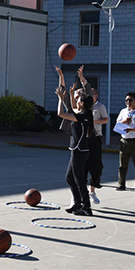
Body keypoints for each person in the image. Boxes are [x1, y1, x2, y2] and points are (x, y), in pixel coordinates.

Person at [56, 83, 95, 216]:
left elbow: (61, 113)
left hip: (79, 151)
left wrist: (61, 99)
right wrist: (72, 94)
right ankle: (77, 203)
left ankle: (86, 207)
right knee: (69, 177)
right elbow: (73, 108)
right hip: (79, 150)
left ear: (82, 103)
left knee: (79, 180)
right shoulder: (86, 113)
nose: (76, 102)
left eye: (78, 100)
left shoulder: (83, 116)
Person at [77, 67, 108, 204]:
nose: (91, 94)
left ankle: (92, 190)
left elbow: (106, 120)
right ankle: (80, 193)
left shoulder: (100, 107)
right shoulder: (83, 107)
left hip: (95, 138)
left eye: (94, 93)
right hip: (84, 139)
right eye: (90, 93)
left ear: (97, 95)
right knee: (83, 167)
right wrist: (81, 78)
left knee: (96, 166)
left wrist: (93, 121)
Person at [114, 92, 135, 192]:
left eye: (130, 100)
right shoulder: (123, 111)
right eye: (126, 100)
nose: (128, 102)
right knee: (122, 165)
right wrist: (125, 121)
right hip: (124, 140)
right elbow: (117, 124)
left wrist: (132, 129)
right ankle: (121, 184)